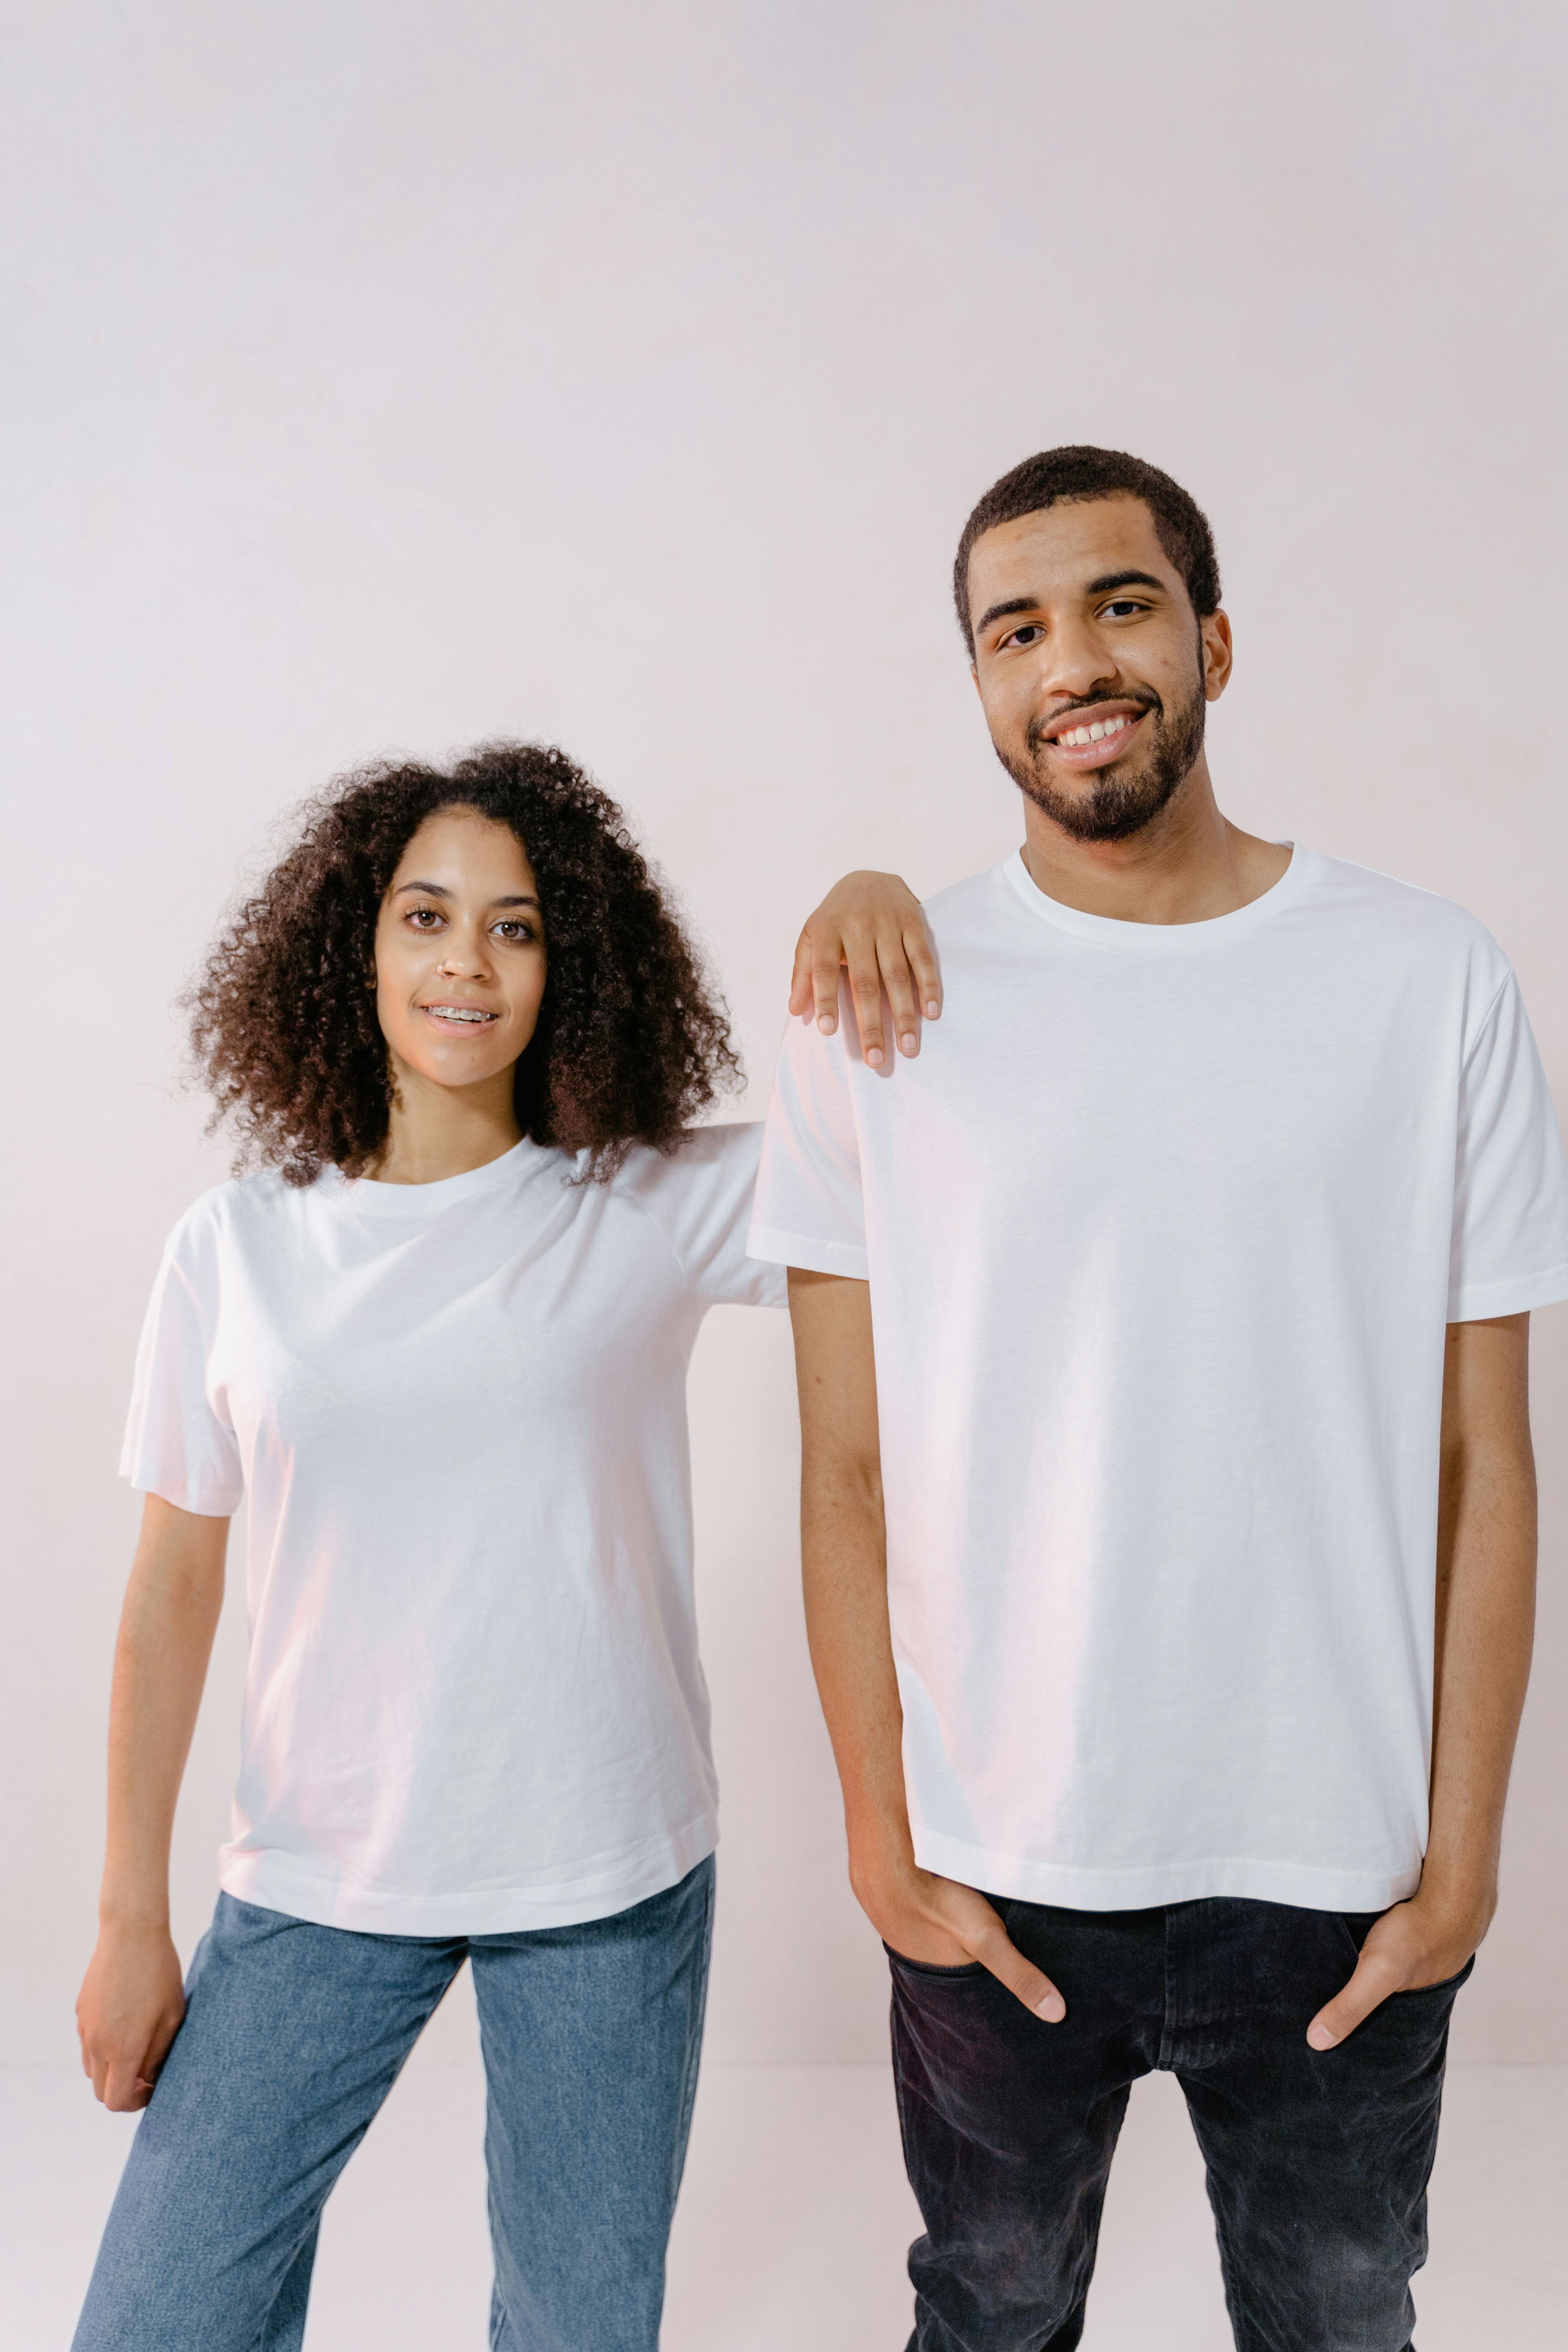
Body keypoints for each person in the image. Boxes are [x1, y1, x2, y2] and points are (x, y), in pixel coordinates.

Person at [749, 446, 1568, 2351]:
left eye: (1115, 604)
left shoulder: (1426, 978)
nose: (1070, 661)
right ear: (978, 690)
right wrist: (875, 1830)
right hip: (997, 1863)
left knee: (1338, 2328)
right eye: (1012, 629)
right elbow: (843, 1468)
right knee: (987, 2316)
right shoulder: (877, 1000)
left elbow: (1484, 1462)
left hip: (1334, 1872)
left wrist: (1462, 1855)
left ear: (1206, 640)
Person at [72, 739, 937, 2352]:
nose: (466, 958)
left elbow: (911, 1157)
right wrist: (130, 1917)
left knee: (576, 2331)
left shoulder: (643, 1200)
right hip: (320, 1875)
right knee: (154, 2322)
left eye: (517, 926)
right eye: (425, 916)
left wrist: (871, 905)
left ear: (572, 969)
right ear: (357, 945)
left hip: (603, 1876)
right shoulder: (238, 1244)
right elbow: (169, 1591)